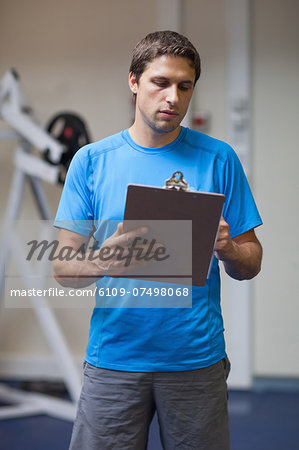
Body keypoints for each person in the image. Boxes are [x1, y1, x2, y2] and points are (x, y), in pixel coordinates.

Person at [53, 30, 263, 450]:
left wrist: (229, 249)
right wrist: (101, 262)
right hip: (114, 359)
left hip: (195, 360)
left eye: (184, 87)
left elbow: (251, 262)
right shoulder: (92, 161)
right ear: (134, 82)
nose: (173, 97)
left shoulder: (219, 158)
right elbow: (63, 268)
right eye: (160, 83)